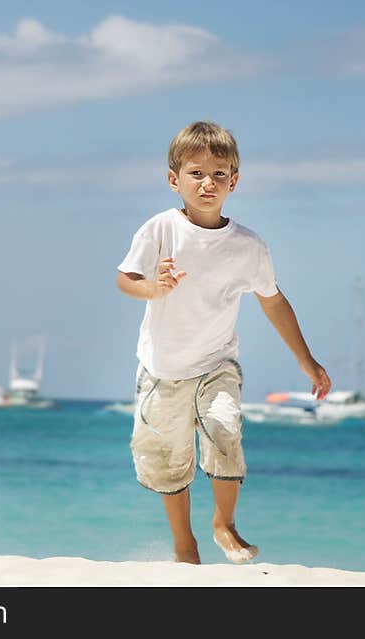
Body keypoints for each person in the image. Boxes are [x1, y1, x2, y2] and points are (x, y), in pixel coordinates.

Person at [116, 120, 331, 565]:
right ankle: (185, 545)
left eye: (219, 173)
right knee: (169, 462)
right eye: (196, 173)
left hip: (217, 363)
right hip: (162, 370)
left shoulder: (247, 245)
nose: (207, 182)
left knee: (225, 430)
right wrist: (154, 288)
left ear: (234, 181)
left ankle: (224, 523)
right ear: (174, 180)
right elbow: (126, 279)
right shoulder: (161, 229)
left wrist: (307, 362)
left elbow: (273, 302)